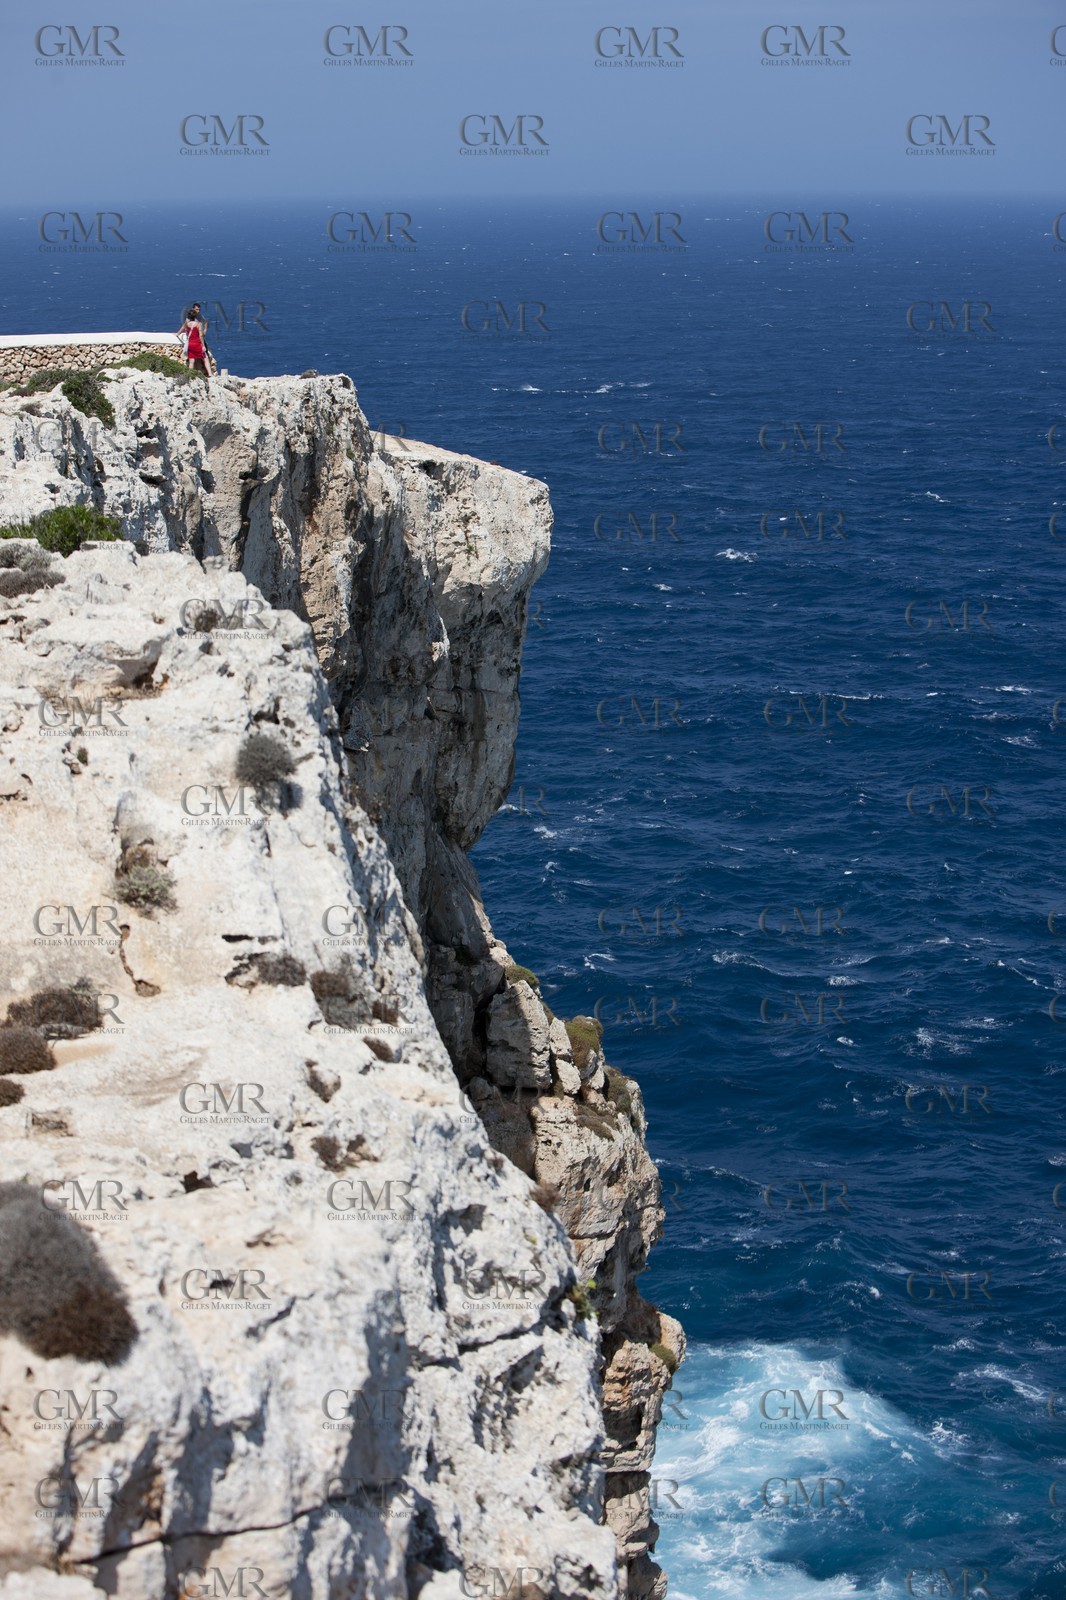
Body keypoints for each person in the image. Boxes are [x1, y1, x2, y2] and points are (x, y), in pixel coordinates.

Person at [178, 304, 212, 378]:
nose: (198, 311)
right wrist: (203, 345)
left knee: (192, 361)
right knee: (205, 358)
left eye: (199, 309)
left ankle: (190, 375)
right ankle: (210, 374)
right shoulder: (198, 324)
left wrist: (177, 334)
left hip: (190, 343)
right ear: (193, 309)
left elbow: (183, 327)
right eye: (197, 309)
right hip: (198, 343)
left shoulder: (189, 322)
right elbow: (200, 335)